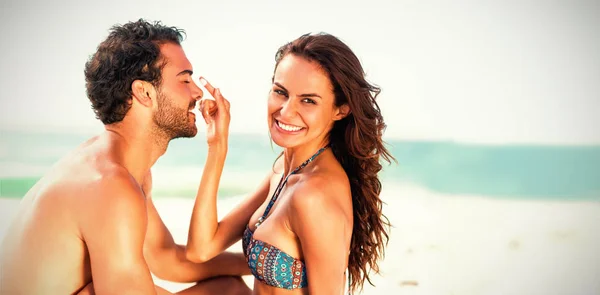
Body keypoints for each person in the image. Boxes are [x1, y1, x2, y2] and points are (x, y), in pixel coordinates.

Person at [0, 19, 249, 295]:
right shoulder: (109, 185)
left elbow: (167, 259)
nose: (197, 92)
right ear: (143, 92)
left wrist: (255, 263)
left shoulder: (119, 167)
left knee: (229, 289)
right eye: (185, 79)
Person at [186, 32, 395, 294]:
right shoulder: (285, 170)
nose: (285, 111)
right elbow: (201, 248)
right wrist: (217, 146)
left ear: (340, 109)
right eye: (280, 92)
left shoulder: (315, 194)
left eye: (308, 100)